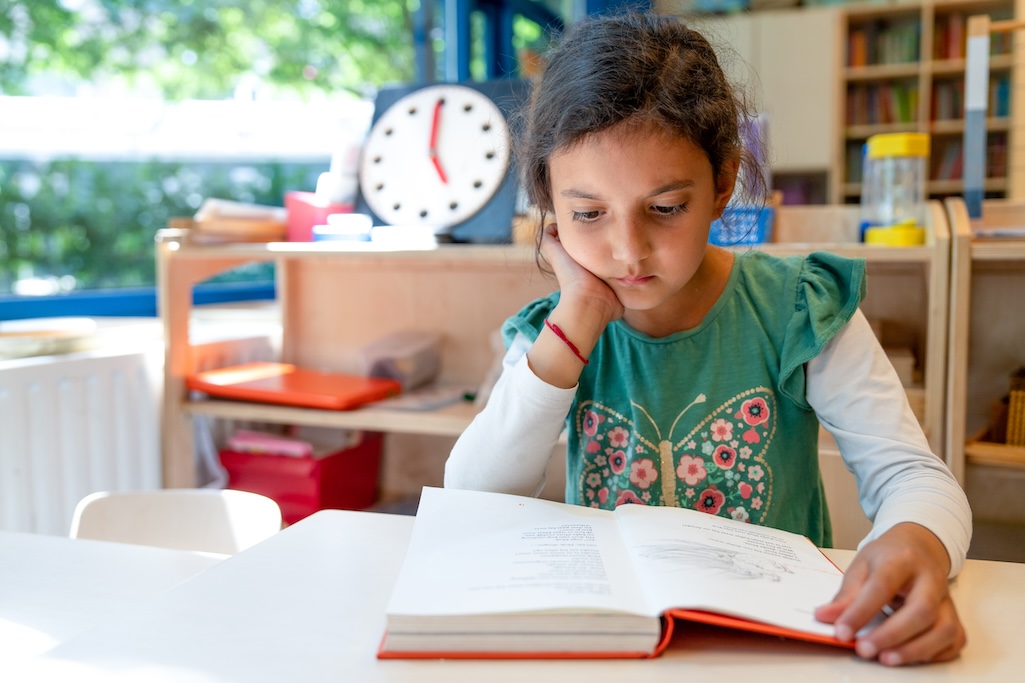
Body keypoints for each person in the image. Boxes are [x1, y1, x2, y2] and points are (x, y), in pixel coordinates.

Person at [444, 12, 971, 666]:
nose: (627, 250)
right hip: (621, 649)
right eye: (587, 213)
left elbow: (911, 474)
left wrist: (917, 541)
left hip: (771, 650)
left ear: (722, 184)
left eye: (665, 208)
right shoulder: (553, 333)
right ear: (550, 206)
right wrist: (577, 315)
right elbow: (472, 497)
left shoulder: (797, 307)